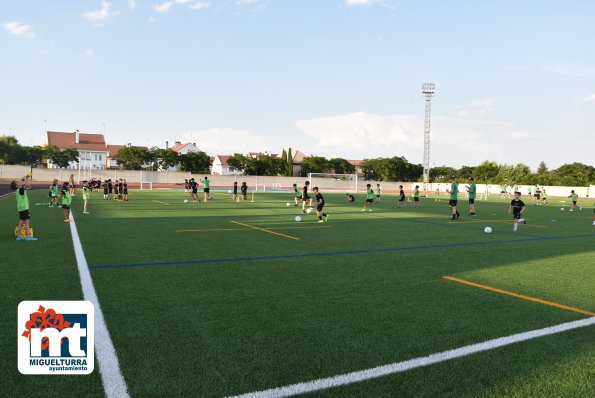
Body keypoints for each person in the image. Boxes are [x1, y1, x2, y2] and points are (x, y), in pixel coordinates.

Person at [11, 175, 37, 241]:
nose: (19, 181)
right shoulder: (20, 189)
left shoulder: (19, 190)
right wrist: (25, 179)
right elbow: (27, 184)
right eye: (17, 182)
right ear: (17, 185)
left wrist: (24, 180)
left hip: (21, 208)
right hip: (24, 208)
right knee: (27, 223)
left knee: (20, 223)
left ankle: (19, 237)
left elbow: (29, 186)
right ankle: (28, 237)